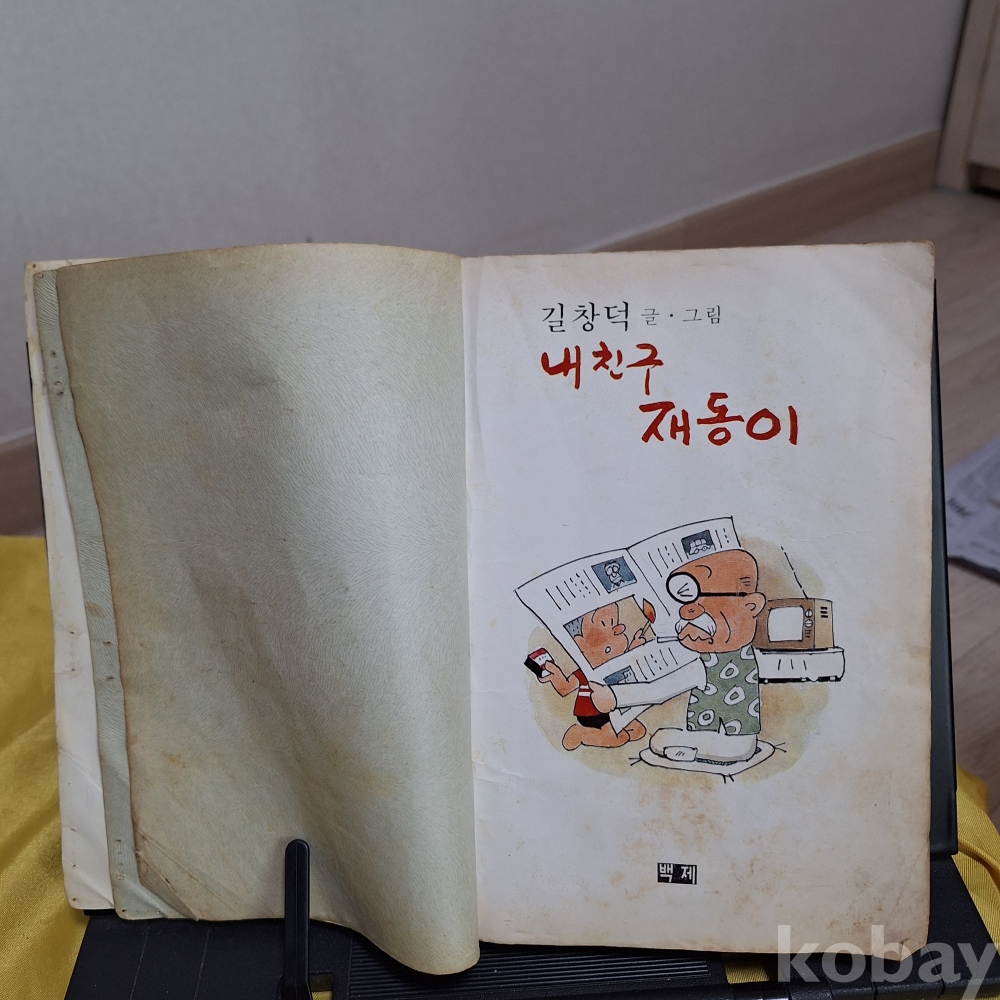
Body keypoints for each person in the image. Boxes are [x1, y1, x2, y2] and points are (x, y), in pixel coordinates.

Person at [589, 549, 766, 767]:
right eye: (687, 601)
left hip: (733, 744)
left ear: (751, 606)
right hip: (728, 737)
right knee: (665, 737)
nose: (687, 612)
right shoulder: (742, 654)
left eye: (706, 600)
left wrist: (614, 697)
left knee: (660, 740)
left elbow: (658, 691)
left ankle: (691, 753)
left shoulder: (709, 664)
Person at [540, 603, 647, 750]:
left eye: (614, 624)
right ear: (580, 644)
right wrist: (555, 674)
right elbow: (565, 688)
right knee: (619, 739)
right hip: (591, 715)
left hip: (613, 712)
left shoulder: (614, 666)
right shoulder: (584, 673)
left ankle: (606, 731)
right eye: (604, 627)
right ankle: (581, 733)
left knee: (639, 731)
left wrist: (634, 647)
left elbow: (626, 663)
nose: (619, 629)